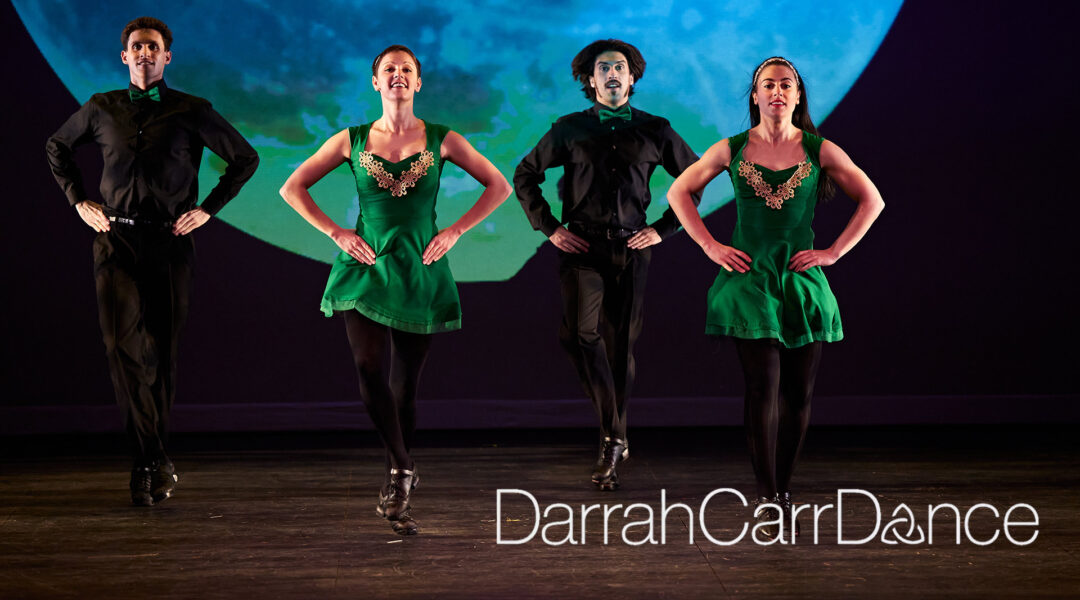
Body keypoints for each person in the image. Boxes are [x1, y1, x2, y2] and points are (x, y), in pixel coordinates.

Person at [280, 45, 511, 535]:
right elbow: (292, 186)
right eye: (390, 70)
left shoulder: (444, 138)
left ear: (419, 82)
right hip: (365, 265)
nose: (399, 76)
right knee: (367, 366)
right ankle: (401, 470)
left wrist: (455, 231)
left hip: (420, 269)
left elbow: (499, 185)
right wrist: (337, 233)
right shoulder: (353, 138)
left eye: (407, 70)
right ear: (376, 82)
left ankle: (398, 473)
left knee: (405, 388)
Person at [666, 56, 884, 540]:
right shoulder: (731, 148)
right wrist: (710, 245)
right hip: (750, 281)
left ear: (799, 95)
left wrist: (833, 252)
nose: (778, 92)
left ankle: (784, 490)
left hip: (800, 283)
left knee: (799, 394)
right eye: (769, 84)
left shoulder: (819, 149)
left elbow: (873, 199)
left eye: (787, 84)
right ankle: (767, 497)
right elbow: (679, 192)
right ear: (755, 96)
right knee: (762, 389)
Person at [45, 17, 259, 507]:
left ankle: (152, 459)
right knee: (121, 347)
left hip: (168, 244)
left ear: (167, 58)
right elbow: (56, 146)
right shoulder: (102, 108)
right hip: (114, 241)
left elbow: (245, 158)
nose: (145, 53)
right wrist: (78, 200)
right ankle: (151, 456)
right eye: (137, 46)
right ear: (125, 57)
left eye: (154, 47)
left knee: (160, 354)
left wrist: (207, 209)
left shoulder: (192, 110)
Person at [514, 39, 701, 491]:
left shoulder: (656, 129)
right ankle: (615, 433)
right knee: (580, 336)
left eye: (620, 67)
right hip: (581, 249)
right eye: (604, 68)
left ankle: (611, 438)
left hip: (633, 249)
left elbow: (695, 177)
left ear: (632, 77)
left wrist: (664, 228)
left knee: (621, 349)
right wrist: (549, 227)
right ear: (590, 80)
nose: (612, 73)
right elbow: (525, 176)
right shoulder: (569, 128)